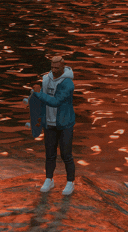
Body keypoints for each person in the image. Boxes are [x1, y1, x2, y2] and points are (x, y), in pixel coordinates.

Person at [33, 56, 76, 195]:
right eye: (52, 67)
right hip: (49, 123)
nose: (53, 70)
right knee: (49, 154)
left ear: (63, 67)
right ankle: (49, 179)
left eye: (56, 68)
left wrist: (38, 94)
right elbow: (42, 100)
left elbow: (56, 101)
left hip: (65, 123)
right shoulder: (46, 79)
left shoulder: (68, 83)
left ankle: (70, 182)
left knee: (66, 154)